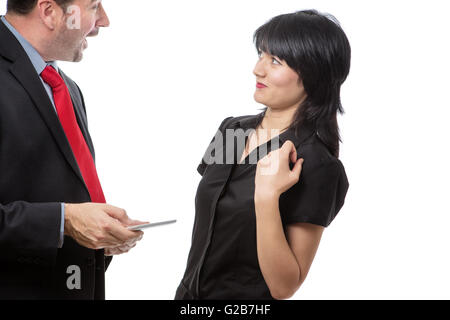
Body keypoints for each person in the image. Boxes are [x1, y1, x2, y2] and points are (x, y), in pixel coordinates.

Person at [175, 9, 351, 300]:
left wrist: (267, 198)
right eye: (261, 55)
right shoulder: (233, 130)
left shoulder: (317, 165)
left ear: (313, 75)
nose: (258, 69)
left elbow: (284, 287)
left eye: (275, 61)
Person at [0, 0, 147, 299]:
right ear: (50, 12)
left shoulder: (65, 87)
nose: (104, 21)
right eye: (94, 6)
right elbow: (64, 215)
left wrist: (98, 237)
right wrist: (64, 221)